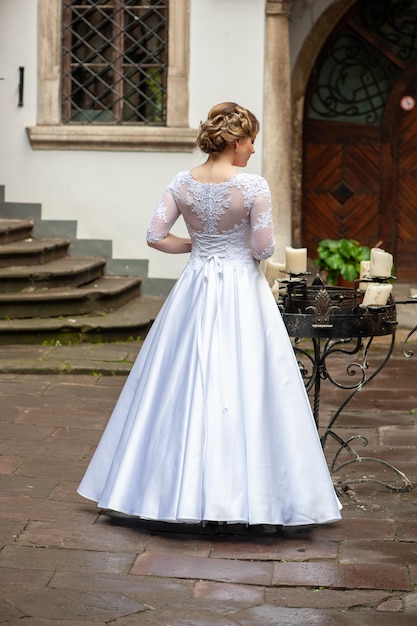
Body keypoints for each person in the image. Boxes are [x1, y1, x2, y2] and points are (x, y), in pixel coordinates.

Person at [77, 102, 342, 526]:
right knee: (248, 380)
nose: (254, 149)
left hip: (195, 288)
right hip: (241, 290)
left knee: (181, 378)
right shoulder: (254, 186)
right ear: (237, 141)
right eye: (252, 141)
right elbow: (262, 249)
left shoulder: (182, 182)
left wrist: (199, 245)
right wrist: (235, 246)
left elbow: (155, 236)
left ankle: (161, 490)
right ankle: (253, 495)